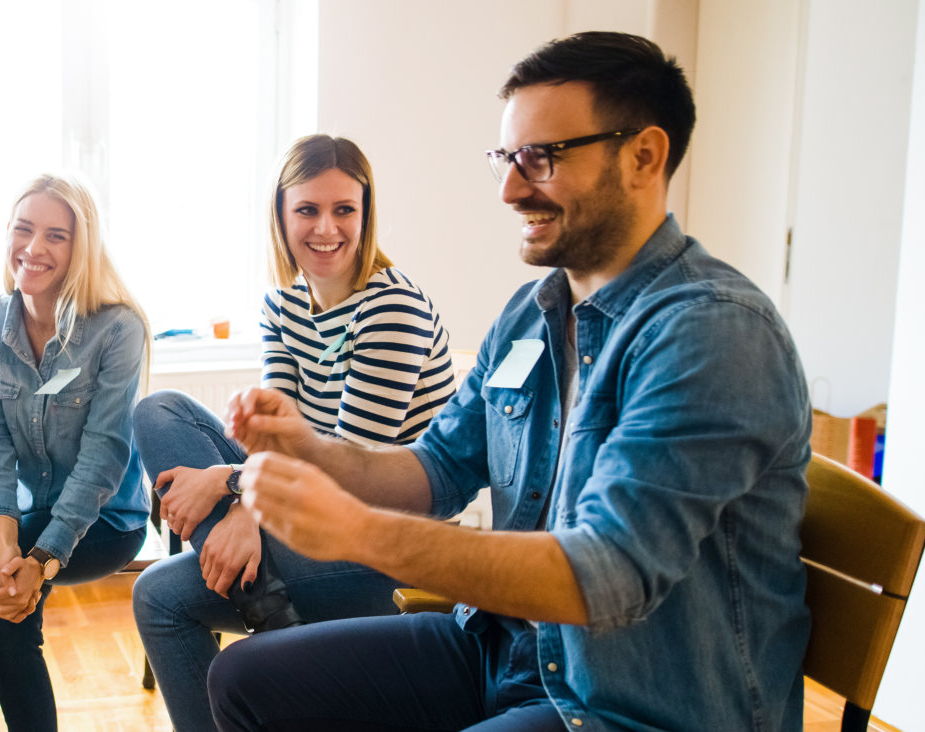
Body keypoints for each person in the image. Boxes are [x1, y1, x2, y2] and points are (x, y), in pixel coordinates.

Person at [210, 32, 812, 732]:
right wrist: (310, 447)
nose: (509, 188)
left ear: (644, 156)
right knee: (245, 680)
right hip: (509, 650)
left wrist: (358, 532)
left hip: (635, 706)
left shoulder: (711, 334)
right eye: (505, 158)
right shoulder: (534, 313)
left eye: (540, 159)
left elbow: (607, 574)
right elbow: (436, 468)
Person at [129, 135, 458, 732]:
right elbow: (270, 429)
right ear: (281, 216)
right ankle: (276, 618)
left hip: (383, 541)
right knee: (158, 411)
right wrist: (242, 497)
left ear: (366, 214)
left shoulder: (392, 309)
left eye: (344, 210)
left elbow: (351, 466)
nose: (325, 228)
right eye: (307, 210)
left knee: (160, 595)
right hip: (311, 511)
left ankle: (277, 627)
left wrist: (233, 492)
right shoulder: (283, 303)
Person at [0, 174, 151, 732]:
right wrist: (11, 546)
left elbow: (105, 456)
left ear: (81, 248)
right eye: (24, 229)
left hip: (105, 519)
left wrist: (40, 560)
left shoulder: (116, 329)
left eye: (56, 236)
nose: (34, 249)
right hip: (32, 519)